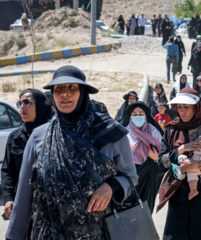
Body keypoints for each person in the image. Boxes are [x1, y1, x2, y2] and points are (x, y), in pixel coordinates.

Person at [5, 65, 138, 239]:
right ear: (52, 94)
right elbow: (24, 194)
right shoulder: (39, 137)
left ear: (83, 93)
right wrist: (14, 235)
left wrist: (111, 186)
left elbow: (130, 177)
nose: (64, 93)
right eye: (58, 88)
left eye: (72, 87)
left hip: (96, 233)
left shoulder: (110, 133)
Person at [157, 88, 201, 240]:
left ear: (196, 107)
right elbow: (161, 163)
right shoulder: (171, 129)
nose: (182, 111)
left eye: (187, 107)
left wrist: (197, 165)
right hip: (177, 193)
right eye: (179, 107)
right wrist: (181, 149)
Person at [1, 89, 52, 220]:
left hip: (50, 206)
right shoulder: (15, 137)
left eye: (27, 102)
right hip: (24, 204)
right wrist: (8, 198)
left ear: (40, 105)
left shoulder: (54, 135)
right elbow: (7, 170)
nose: (22, 107)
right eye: (20, 103)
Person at [121, 101, 164, 213]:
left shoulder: (154, 132)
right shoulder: (124, 133)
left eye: (141, 113)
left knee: (145, 211)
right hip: (128, 178)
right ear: (129, 116)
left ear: (146, 115)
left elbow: (164, 157)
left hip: (148, 179)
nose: (138, 116)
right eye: (134, 114)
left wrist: (155, 158)